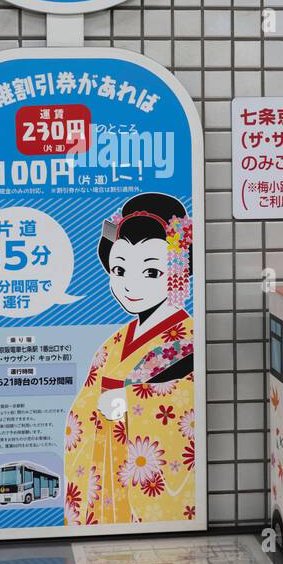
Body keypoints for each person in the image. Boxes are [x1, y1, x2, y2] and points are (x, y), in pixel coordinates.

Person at [63, 192, 196, 526]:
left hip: (138, 481)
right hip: (104, 482)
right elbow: (80, 414)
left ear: (177, 271)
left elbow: (187, 407)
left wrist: (125, 399)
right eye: (120, 270)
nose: (130, 284)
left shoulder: (186, 341)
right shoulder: (112, 345)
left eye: (150, 272)